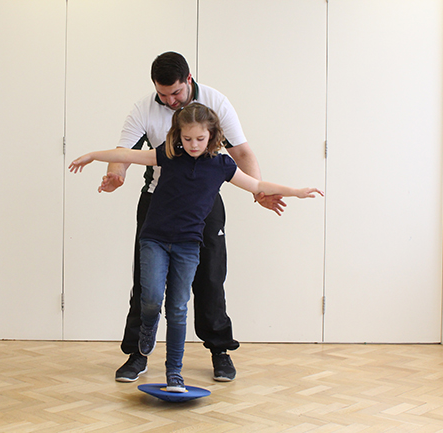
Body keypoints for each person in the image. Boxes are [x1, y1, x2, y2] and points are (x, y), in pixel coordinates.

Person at [69, 103, 322, 392]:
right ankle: (148, 326)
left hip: (189, 245)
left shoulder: (222, 165)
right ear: (178, 135)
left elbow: (257, 184)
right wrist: (92, 155)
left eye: (200, 139)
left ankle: (174, 373)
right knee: (150, 297)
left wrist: (296, 191)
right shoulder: (168, 155)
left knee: (178, 308)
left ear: (212, 135)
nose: (193, 145)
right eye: (187, 139)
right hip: (155, 239)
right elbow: (126, 154)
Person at [101, 52, 286, 383]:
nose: (170, 100)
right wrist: (116, 174)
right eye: (163, 94)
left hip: (203, 204)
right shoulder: (143, 108)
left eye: (175, 93)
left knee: (210, 278)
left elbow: (241, 152)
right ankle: (137, 354)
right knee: (147, 284)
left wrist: (258, 192)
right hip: (157, 204)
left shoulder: (215, 101)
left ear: (188, 80)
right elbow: (124, 152)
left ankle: (219, 351)